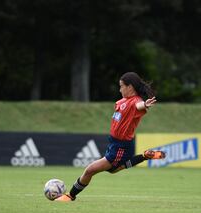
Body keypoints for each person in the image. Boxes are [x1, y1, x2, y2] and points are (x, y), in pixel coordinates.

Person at [56, 72, 166, 202]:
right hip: (114, 143)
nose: (120, 89)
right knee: (113, 170)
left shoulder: (135, 101)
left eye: (121, 86)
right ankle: (145, 156)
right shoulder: (121, 102)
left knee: (90, 170)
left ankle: (70, 196)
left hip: (121, 146)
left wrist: (145, 105)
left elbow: (139, 105)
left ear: (130, 87)